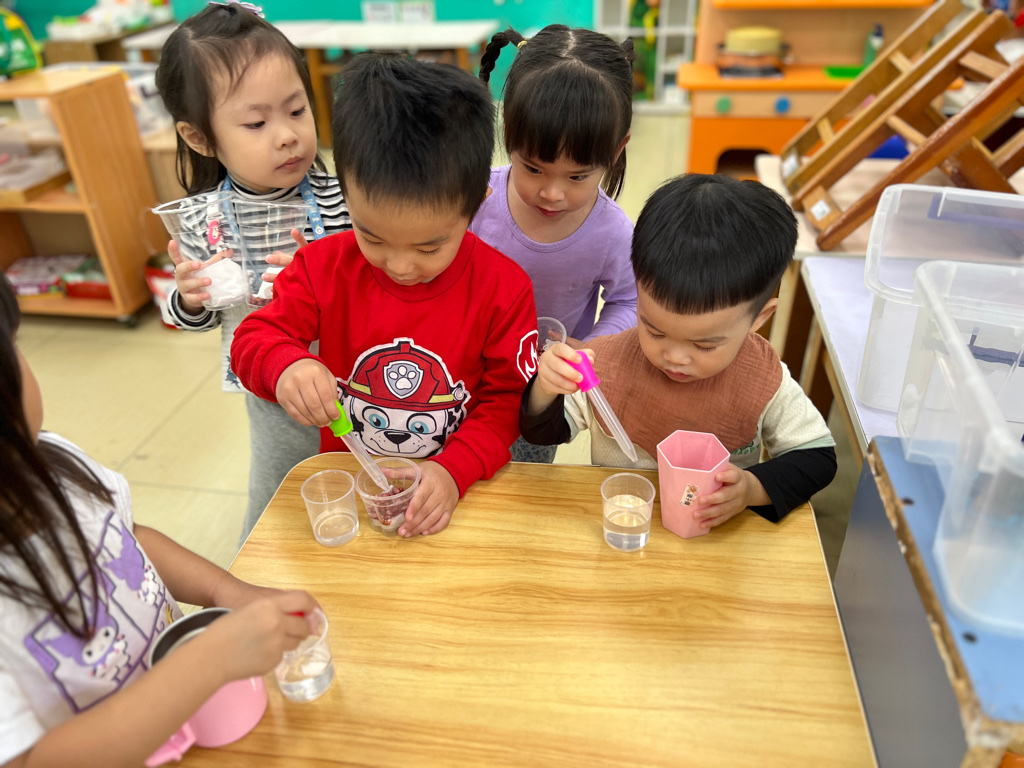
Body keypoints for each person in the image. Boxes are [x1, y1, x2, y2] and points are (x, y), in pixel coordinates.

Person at [0, 274, 318, 767]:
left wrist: (225, 590)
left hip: (192, 715)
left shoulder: (49, 459)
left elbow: (125, 537)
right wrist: (207, 662)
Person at [230, 53, 538, 539]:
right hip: (355, 491)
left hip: (456, 492)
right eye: (371, 237)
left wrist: (453, 470)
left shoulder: (504, 288)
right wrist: (285, 365)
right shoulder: (321, 267)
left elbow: (508, 400)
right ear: (346, 195)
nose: (399, 266)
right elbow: (253, 338)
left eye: (429, 247)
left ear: (476, 204)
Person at [521, 174, 837, 528]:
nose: (674, 357)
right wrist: (545, 387)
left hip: (716, 538)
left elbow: (817, 458)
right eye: (654, 330)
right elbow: (544, 433)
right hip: (624, 526)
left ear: (759, 318)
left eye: (704, 344)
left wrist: (752, 488)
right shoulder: (607, 362)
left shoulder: (761, 378)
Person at [155, 3, 351, 541]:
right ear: (200, 138)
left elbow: (373, 286)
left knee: (361, 476)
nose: (287, 135)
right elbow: (194, 319)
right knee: (277, 501)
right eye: (257, 123)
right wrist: (189, 297)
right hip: (270, 391)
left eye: (297, 110)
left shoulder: (341, 199)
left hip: (351, 376)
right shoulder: (202, 219)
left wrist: (323, 277)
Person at [474, 24, 639, 463]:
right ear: (508, 130)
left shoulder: (612, 232)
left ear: (616, 150)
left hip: (539, 388)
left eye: (577, 176)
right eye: (532, 168)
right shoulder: (475, 199)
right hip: (468, 374)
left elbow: (628, 300)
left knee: (525, 483)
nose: (552, 193)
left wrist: (592, 346)